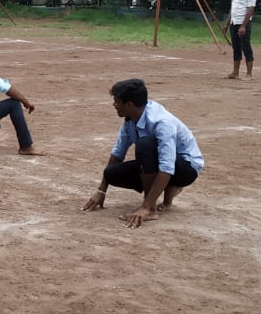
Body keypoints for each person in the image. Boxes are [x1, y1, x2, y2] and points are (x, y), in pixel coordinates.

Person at [83, 79, 204, 229]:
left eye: (116, 101)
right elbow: (118, 152)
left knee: (144, 145)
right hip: (161, 164)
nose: (114, 104)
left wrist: (146, 206)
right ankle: (167, 189)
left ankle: (151, 207)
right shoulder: (130, 119)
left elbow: (167, 166)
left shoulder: (161, 122)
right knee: (111, 173)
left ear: (129, 104)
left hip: (186, 168)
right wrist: (101, 190)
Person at [227, 0, 257, 80]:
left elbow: (250, 9)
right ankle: (235, 72)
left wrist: (243, 26)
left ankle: (249, 74)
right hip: (234, 22)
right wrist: (227, 23)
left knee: (246, 47)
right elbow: (233, 6)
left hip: (243, 23)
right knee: (236, 48)